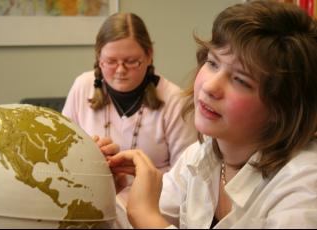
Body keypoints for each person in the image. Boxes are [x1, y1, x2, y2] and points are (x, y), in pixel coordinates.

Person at [107, 0, 317, 228]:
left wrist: (146, 217)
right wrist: (100, 192)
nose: (209, 87)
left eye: (240, 80)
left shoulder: (305, 187)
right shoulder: (201, 155)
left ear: (283, 107)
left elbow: (146, 217)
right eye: (212, 63)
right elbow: (135, 219)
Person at [62, 12, 198, 203]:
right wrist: (88, 154)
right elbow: (62, 157)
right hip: (91, 202)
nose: (120, 70)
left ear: (149, 55)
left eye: (131, 61)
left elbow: (187, 178)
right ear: (99, 57)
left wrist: (135, 179)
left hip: (155, 206)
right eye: (110, 61)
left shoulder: (175, 100)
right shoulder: (82, 86)